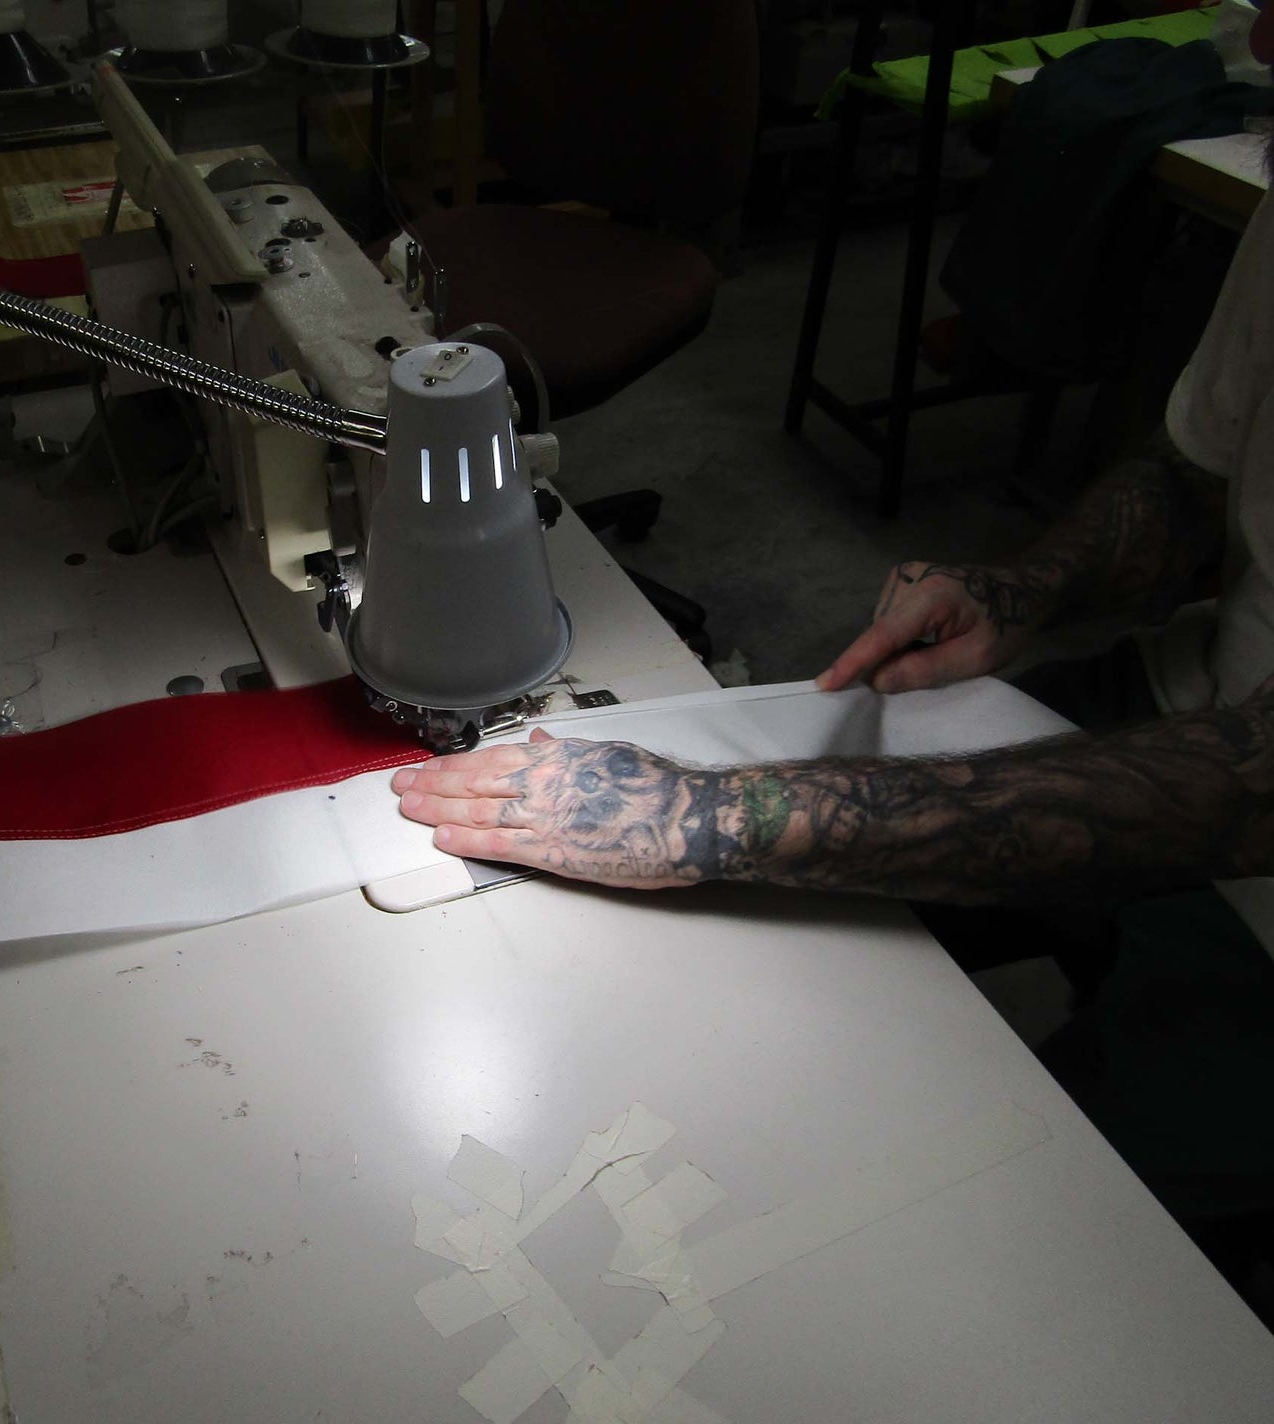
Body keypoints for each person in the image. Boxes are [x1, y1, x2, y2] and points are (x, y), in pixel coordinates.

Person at [391, 130, 1274, 1269]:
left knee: (1003, 1220)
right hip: (1188, 694)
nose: (1252, 37)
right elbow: (1195, 470)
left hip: (1250, 852)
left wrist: (710, 817)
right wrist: (1022, 588)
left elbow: (1247, 791)